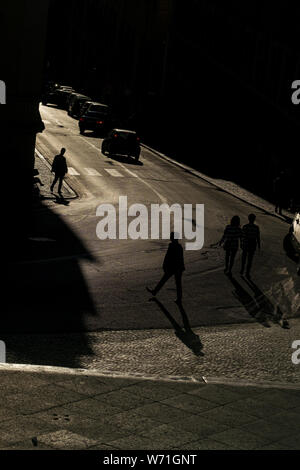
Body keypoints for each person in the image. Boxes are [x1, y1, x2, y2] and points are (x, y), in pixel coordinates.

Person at [147, 232, 185, 304]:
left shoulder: (173, 246)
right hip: (177, 267)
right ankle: (178, 298)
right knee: (175, 282)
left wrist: (165, 265)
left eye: (171, 237)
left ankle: (155, 291)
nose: (170, 238)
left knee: (168, 280)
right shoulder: (178, 246)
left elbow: (168, 257)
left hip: (174, 267)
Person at [240, 214, 261, 278]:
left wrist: (241, 243)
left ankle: (242, 270)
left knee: (244, 258)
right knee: (250, 259)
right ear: (254, 219)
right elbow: (258, 237)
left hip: (246, 243)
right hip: (252, 244)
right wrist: (259, 245)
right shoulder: (256, 227)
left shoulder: (245, 226)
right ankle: (247, 273)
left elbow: (242, 236)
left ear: (248, 219)